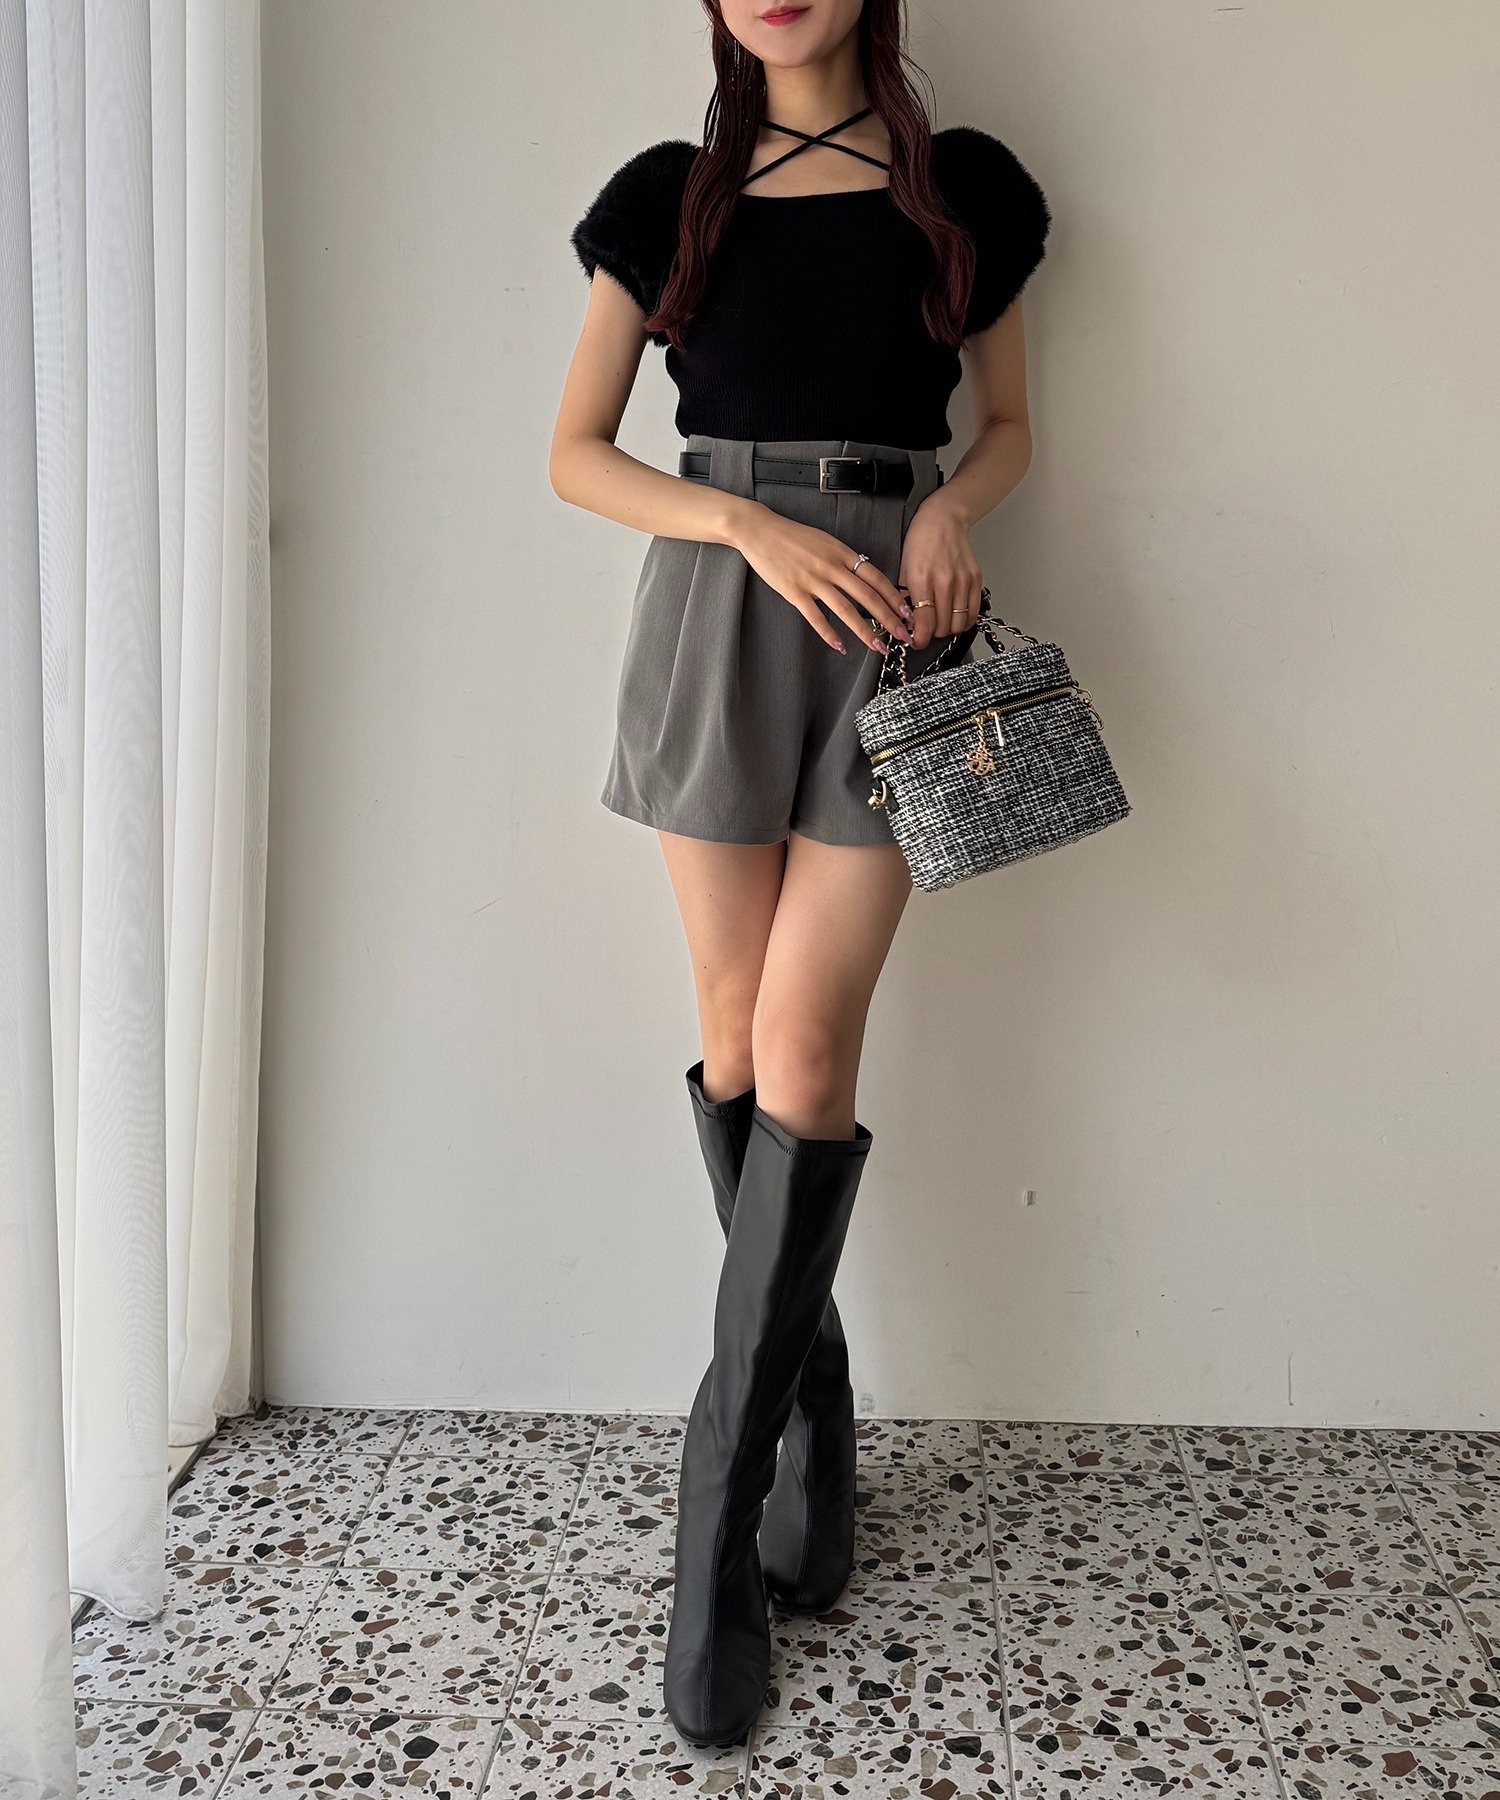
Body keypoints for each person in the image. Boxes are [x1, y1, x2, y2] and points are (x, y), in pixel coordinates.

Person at [549, 0, 1049, 1748]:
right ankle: (807, 1429)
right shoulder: (667, 197)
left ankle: (713, 1526)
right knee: (734, 1036)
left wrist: (949, 506)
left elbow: (1012, 424)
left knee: (809, 1048)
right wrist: (746, 521)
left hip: (895, 623)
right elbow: (576, 452)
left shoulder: (959, 188)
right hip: (719, 606)